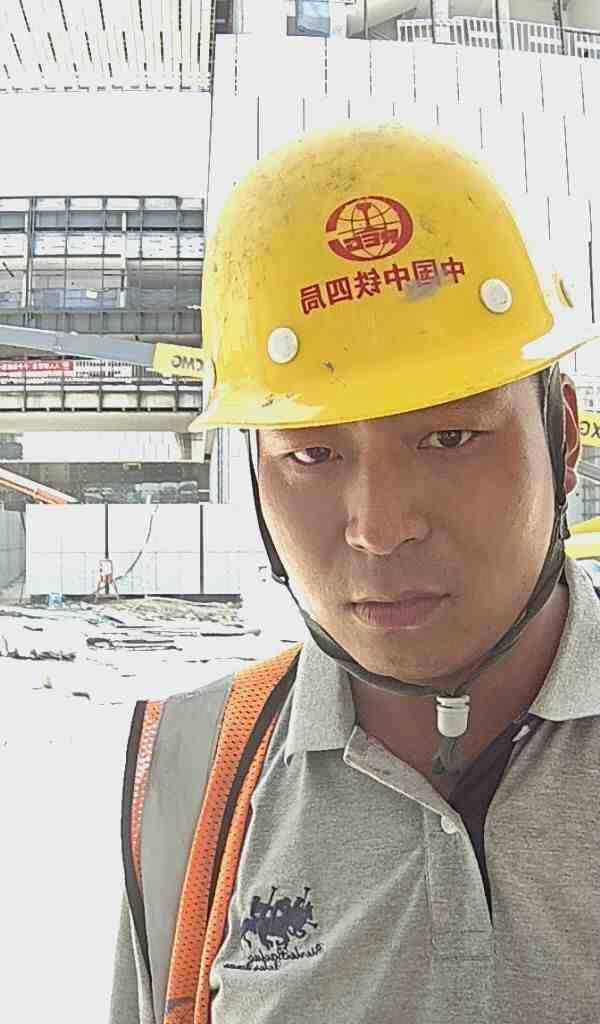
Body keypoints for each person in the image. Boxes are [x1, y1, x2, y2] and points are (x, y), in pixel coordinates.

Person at [110, 123, 600, 1024]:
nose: (379, 529)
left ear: (562, 435)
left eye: (449, 437)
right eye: (312, 454)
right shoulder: (191, 774)